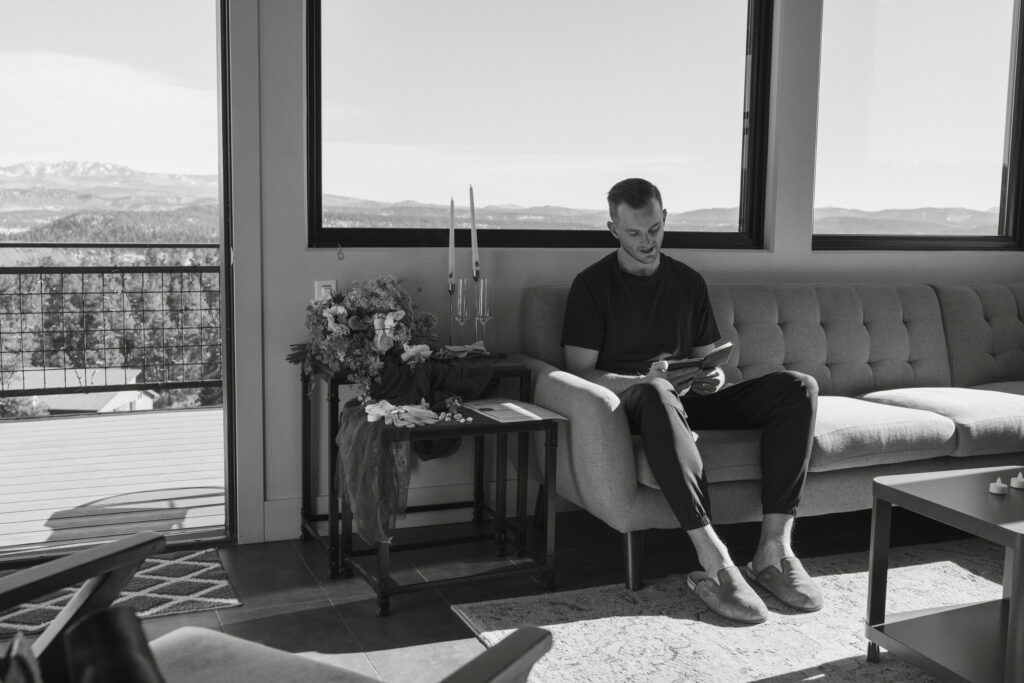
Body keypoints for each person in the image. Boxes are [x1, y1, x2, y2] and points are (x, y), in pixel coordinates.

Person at [561, 177, 822, 624]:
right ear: (613, 230)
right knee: (659, 390)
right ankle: (715, 559)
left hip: (687, 399)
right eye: (634, 233)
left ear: (665, 220)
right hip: (635, 404)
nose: (647, 242)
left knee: (798, 387)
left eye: (655, 230)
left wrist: (714, 375)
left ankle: (773, 552)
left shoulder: (687, 281)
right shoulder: (591, 286)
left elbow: (707, 361)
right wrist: (643, 378)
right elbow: (578, 371)